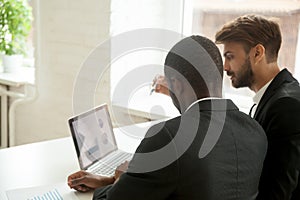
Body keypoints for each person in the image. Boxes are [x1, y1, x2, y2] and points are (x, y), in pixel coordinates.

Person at [68, 35, 267, 200]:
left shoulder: (168, 137)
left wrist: (121, 180)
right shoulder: (255, 130)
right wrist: (112, 180)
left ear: (176, 85)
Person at [215, 14, 300, 200]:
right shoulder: (274, 97)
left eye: (230, 56)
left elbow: (278, 191)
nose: (225, 67)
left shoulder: (286, 106)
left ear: (257, 53)